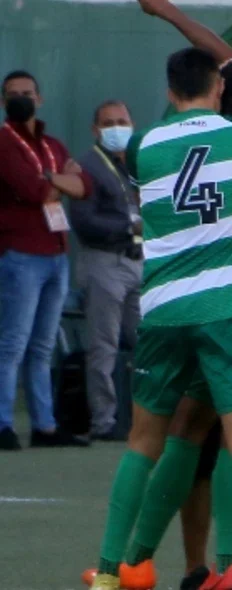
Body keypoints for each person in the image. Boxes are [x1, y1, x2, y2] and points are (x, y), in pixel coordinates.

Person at [84, 44, 232, 590]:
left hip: (161, 310)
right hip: (223, 310)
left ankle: (111, 572)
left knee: (143, 442)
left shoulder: (142, 145)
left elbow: (169, 152)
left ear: (168, 91)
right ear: (219, 89)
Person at [0, 69, 94, 451]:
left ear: (40, 99)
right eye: (12, 94)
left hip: (56, 254)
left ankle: (45, 426)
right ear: (5, 102)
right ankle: (3, 423)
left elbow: (85, 186)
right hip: (21, 253)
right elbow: (33, 188)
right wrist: (59, 181)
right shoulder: (4, 143)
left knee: (41, 347)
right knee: (13, 343)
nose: (21, 99)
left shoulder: (52, 144)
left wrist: (53, 180)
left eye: (27, 93)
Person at [67, 99, 142, 442]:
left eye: (122, 121)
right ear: (96, 130)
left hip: (138, 260)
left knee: (148, 342)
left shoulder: (134, 163)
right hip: (104, 262)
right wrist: (128, 226)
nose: (117, 128)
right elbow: (84, 222)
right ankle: (105, 420)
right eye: (109, 123)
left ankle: (146, 416)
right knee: (104, 345)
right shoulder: (86, 166)